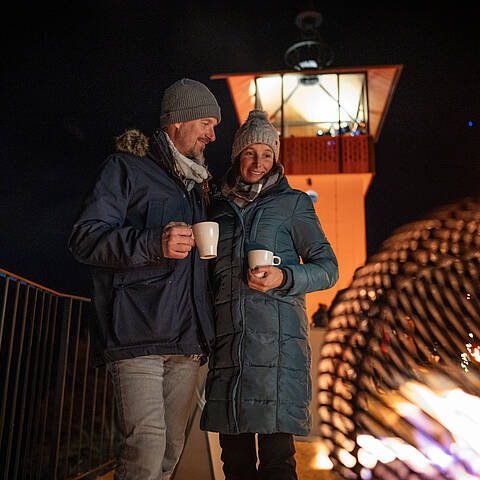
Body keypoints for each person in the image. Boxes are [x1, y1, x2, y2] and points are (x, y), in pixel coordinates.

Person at [68, 78, 221, 480]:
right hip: (138, 334)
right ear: (178, 122)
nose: (213, 134)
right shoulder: (125, 169)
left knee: (169, 452)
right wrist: (155, 242)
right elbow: (84, 239)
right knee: (146, 448)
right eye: (206, 123)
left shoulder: (196, 186)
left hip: (187, 341)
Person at [200, 110, 338, 480]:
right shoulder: (217, 208)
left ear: (275, 157)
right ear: (236, 157)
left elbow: (328, 268)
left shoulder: (293, 203)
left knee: (278, 464)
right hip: (231, 350)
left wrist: (284, 276)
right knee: (237, 465)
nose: (257, 162)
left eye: (266, 153)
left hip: (279, 353)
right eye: (249, 153)